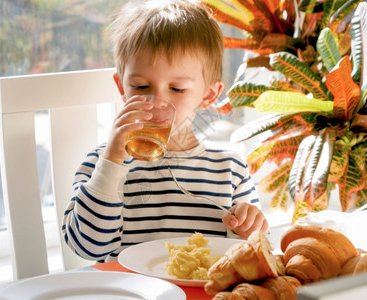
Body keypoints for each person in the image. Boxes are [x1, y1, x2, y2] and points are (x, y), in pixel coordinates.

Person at [61, 0, 268, 262]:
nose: (156, 102)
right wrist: (112, 161)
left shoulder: (229, 169)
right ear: (122, 87)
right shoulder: (101, 164)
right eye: (140, 86)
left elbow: (248, 254)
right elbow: (88, 248)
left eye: (177, 89)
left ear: (208, 95)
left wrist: (247, 229)